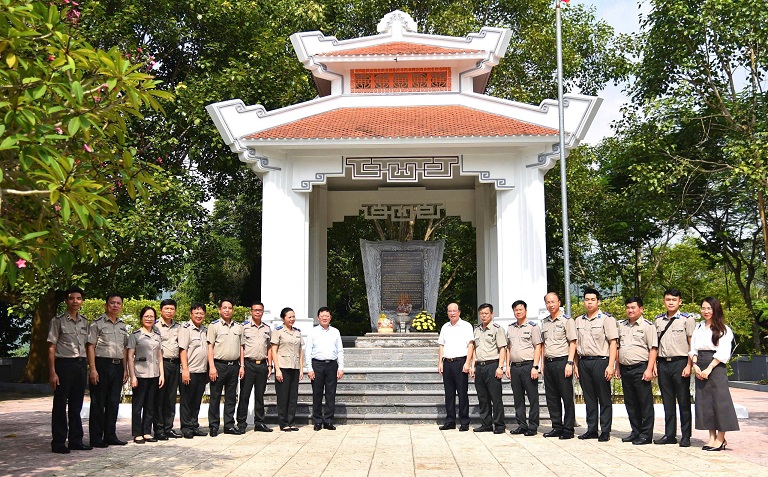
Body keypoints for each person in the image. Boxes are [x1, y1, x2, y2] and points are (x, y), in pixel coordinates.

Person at [690, 297, 739, 451]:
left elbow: (723, 351)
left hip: (716, 366)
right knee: (705, 402)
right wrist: (695, 365)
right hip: (700, 364)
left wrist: (709, 368)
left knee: (720, 401)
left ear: (715, 309)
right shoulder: (698, 327)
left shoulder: (723, 329)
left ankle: (721, 438)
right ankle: (711, 437)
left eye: (709, 308)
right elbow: (693, 348)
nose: (706, 311)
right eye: (703, 308)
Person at [47, 286, 91, 453]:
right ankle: (58, 442)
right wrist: (52, 372)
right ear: (66, 301)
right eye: (72, 298)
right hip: (63, 365)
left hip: (80, 365)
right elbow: (51, 347)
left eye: (78, 298)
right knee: (60, 404)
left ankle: (75, 440)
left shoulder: (85, 322)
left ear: (82, 301)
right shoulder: (57, 321)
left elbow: (87, 347)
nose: (75, 301)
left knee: (76, 405)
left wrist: (87, 369)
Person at [575, 288, 618, 442]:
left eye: (592, 299)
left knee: (604, 397)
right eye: (587, 299)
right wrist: (575, 365)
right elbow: (575, 344)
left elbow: (613, 343)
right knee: (589, 398)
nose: (589, 302)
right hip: (584, 362)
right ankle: (591, 429)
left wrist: (611, 365)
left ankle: (605, 430)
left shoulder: (607, 319)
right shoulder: (578, 320)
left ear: (598, 301)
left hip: (601, 361)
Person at [654, 288, 695, 447]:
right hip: (663, 363)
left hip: (681, 363)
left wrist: (689, 365)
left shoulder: (687, 319)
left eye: (674, 300)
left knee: (684, 401)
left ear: (680, 302)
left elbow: (692, 344)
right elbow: (655, 345)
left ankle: (686, 436)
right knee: (667, 401)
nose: (670, 302)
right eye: (668, 299)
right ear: (664, 301)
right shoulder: (658, 320)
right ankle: (669, 434)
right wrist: (655, 365)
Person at [86, 293, 129, 447]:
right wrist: (93, 369)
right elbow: (90, 346)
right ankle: (96, 438)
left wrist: (125, 369)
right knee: (98, 403)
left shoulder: (122, 325)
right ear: (106, 305)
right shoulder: (97, 324)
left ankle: (110, 435)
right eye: (112, 303)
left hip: (117, 367)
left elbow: (124, 348)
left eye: (118, 303)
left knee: (113, 403)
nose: (115, 305)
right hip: (101, 365)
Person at [616, 297, 657, 445]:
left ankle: (646, 434)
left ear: (641, 309)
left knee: (644, 403)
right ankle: (636, 431)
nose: (630, 310)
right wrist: (617, 367)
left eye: (633, 307)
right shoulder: (621, 325)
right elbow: (618, 347)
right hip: (625, 369)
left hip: (641, 368)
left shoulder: (648, 326)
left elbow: (653, 349)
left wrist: (649, 369)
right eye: (628, 307)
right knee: (631, 403)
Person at [540, 292, 577, 439]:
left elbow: (573, 342)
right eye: (548, 302)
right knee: (552, 397)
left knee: (566, 397)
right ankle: (556, 426)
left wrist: (569, 362)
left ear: (559, 302)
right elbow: (543, 344)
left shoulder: (567, 320)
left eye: (553, 302)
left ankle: (568, 429)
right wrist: (542, 364)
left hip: (563, 361)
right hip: (549, 363)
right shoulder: (544, 322)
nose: (550, 305)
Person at [207, 299, 245, 436]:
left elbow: (241, 347)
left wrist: (242, 366)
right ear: (219, 310)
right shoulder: (214, 326)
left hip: (234, 366)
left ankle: (229, 425)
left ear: (232, 310)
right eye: (224, 308)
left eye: (230, 308)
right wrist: (211, 366)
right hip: (219, 365)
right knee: (215, 396)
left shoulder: (238, 327)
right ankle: (214, 426)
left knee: (231, 397)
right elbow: (210, 347)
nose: (227, 310)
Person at [127, 307, 164, 444]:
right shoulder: (135, 335)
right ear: (141, 318)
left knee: (150, 405)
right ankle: (137, 433)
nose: (149, 319)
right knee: (138, 405)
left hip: (154, 374)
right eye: (146, 316)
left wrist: (162, 375)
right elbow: (130, 357)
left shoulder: (157, 336)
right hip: (140, 374)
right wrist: (132, 376)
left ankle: (147, 432)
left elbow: (160, 356)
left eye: (152, 316)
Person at [505, 300, 542, 436]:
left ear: (525, 310)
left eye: (520, 309)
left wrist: (535, 366)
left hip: (528, 365)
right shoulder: (510, 328)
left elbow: (538, 346)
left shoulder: (533, 327)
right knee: (518, 398)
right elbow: (508, 348)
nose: (518, 312)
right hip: (515, 367)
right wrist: (507, 366)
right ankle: (522, 424)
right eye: (516, 310)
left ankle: (533, 426)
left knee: (533, 397)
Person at [237, 302, 274, 433]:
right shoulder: (244, 327)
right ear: (251, 311)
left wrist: (270, 365)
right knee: (244, 395)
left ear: (263, 312)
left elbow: (269, 347)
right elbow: (241, 347)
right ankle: (241, 423)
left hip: (262, 365)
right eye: (255, 310)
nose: (258, 312)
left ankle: (259, 422)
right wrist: (241, 365)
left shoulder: (267, 328)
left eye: (260, 310)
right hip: (248, 364)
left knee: (260, 395)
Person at [470, 303, 507, 434]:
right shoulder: (477, 329)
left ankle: (499, 425)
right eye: (481, 314)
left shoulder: (497, 329)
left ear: (491, 314)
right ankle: (486, 423)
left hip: (493, 365)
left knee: (495, 397)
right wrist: (473, 365)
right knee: (482, 397)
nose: (483, 316)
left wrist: (500, 367)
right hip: (480, 366)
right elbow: (474, 348)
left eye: (486, 313)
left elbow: (502, 349)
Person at [437, 302, 474, 431]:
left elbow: (471, 345)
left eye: (454, 310)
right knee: (449, 394)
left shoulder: (466, 326)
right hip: (447, 362)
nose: (452, 313)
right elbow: (441, 345)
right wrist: (440, 362)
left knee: (462, 393)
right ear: (447, 313)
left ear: (459, 312)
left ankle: (464, 422)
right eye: (449, 311)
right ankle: (450, 421)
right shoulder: (445, 327)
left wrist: (468, 363)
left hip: (461, 362)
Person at [307, 307, 344, 431]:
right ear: (318, 317)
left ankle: (328, 420)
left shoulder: (335, 332)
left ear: (330, 317)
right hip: (317, 365)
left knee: (330, 394)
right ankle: (317, 421)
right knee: (317, 394)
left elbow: (340, 350)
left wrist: (341, 367)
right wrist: (309, 368)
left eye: (327, 316)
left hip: (332, 365)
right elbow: (308, 351)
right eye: (322, 316)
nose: (324, 318)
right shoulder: (312, 332)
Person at [178, 303, 209, 438]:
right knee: (187, 400)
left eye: (201, 313)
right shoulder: (185, 329)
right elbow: (183, 349)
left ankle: (194, 425)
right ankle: (186, 427)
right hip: (189, 371)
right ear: (191, 314)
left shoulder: (205, 330)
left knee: (197, 400)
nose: (199, 315)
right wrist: (185, 369)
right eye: (196, 313)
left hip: (202, 371)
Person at [271, 307, 304, 431]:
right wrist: (277, 369)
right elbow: (274, 351)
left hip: (294, 367)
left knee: (293, 396)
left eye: (293, 317)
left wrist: (301, 368)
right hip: (283, 367)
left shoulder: (297, 332)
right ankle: (283, 422)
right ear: (283, 318)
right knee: (283, 396)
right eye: (289, 317)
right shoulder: (278, 332)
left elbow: (300, 351)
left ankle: (291, 421)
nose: (292, 319)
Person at [153, 298, 182, 440]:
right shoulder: (155, 326)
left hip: (175, 364)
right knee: (160, 398)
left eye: (172, 309)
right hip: (160, 364)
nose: (169, 311)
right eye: (166, 309)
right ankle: (159, 429)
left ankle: (168, 427)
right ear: (161, 310)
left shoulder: (179, 327)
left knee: (171, 398)